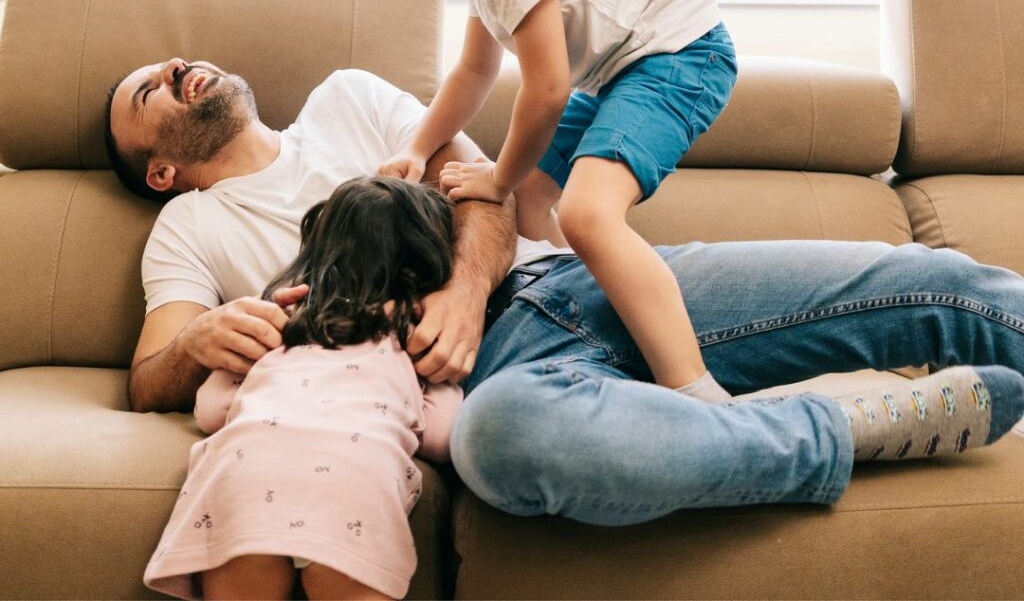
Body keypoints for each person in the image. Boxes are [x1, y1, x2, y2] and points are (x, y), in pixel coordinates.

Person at [107, 57, 1024, 527]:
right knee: (499, 449)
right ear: (159, 170)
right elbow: (151, 375)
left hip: (573, 285)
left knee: (919, 284)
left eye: (174, 59)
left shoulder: (349, 100)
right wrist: (195, 346)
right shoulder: (189, 231)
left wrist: (466, 297)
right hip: (492, 389)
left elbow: (490, 199)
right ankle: (845, 431)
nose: (175, 68)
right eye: (148, 88)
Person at [344, 0, 737, 402]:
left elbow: (549, 88)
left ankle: (695, 390)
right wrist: (419, 147)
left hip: (680, 53)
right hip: (628, 65)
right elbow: (477, 67)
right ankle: (579, 321)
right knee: (530, 196)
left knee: (583, 211)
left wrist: (494, 177)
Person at [143, 176, 462, 601]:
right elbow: (441, 438)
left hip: (248, 468)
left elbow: (209, 410)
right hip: (356, 475)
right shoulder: (412, 339)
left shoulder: (278, 323)